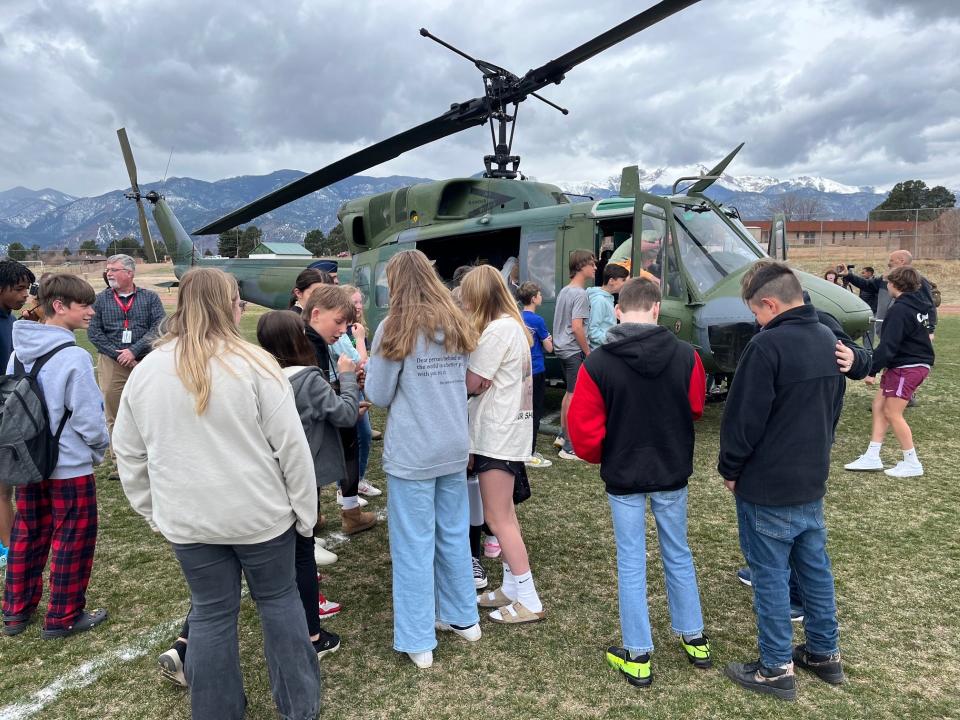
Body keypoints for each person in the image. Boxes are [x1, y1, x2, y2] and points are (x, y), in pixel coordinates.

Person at [113, 268, 321, 720]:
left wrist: (155, 511)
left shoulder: (149, 370)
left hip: (194, 521)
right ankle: (299, 706)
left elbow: (127, 452)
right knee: (278, 604)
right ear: (230, 304)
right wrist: (306, 513)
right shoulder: (255, 364)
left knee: (211, 615)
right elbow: (292, 450)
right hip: (258, 516)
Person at [568, 278, 710, 688]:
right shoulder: (687, 356)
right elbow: (696, 407)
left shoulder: (597, 363)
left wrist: (603, 455)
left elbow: (584, 431)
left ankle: (638, 652)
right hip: (671, 469)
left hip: (624, 473)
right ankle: (694, 636)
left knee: (632, 561)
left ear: (617, 310)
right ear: (656, 309)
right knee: (678, 552)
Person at [719, 261, 845, 702]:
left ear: (769, 304)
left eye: (756, 312)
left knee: (770, 575)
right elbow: (833, 410)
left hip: (767, 484)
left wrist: (730, 468)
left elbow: (743, 419)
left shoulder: (766, 347)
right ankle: (824, 652)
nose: (756, 320)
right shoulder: (829, 339)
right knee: (814, 569)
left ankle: (775, 667)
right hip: (811, 478)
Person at [364, 249, 481, 669]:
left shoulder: (393, 327)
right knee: (452, 533)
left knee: (413, 544)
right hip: (452, 444)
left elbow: (377, 394)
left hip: (414, 450)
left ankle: (418, 638)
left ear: (395, 284)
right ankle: (464, 618)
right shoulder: (456, 322)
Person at [2, 274, 111, 638]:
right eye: (85, 305)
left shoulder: (18, 352)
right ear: (60, 306)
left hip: (29, 461)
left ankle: (16, 611)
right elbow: (88, 416)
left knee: (27, 533)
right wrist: (98, 449)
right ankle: (63, 615)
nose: (91, 312)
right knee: (73, 537)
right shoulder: (74, 356)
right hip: (68, 465)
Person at [461, 265, 545, 625]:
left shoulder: (496, 331)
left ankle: (528, 597)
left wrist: (473, 382)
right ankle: (512, 586)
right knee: (505, 515)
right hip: (508, 431)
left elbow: (471, 380)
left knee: (497, 518)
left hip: (496, 435)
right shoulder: (513, 327)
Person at [844, 266, 934, 478]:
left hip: (908, 367)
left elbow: (888, 346)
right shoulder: (916, 305)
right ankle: (872, 456)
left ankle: (912, 462)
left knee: (892, 413)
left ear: (894, 284)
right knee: (879, 405)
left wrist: (871, 370)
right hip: (905, 365)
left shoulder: (900, 310)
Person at [302, 285, 377, 534]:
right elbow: (312, 392)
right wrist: (346, 384)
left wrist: (347, 382)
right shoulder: (306, 342)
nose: (343, 330)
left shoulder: (315, 339)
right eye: (338, 322)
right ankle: (311, 525)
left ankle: (326, 516)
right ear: (315, 314)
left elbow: (319, 387)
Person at [86, 254, 165, 445]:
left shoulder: (150, 298)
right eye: (108, 270)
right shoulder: (100, 300)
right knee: (114, 413)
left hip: (145, 361)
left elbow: (160, 327)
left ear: (129, 273)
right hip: (111, 364)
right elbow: (94, 332)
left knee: (148, 410)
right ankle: (118, 462)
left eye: (114, 270)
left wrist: (134, 351)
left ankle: (147, 455)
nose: (108, 273)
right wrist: (119, 355)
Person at [0, 259, 35, 566]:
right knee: (2, 487)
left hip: (10, 409)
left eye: (27, 288)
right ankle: (9, 548)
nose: (25, 294)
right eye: (19, 288)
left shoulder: (11, 320)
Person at [552, 249, 596, 460]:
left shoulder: (564, 291)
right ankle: (569, 446)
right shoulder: (580, 294)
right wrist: (587, 351)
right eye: (592, 264)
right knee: (573, 395)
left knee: (568, 393)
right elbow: (577, 327)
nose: (596, 267)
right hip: (573, 350)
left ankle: (562, 435)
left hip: (562, 349)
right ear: (581, 266)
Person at [841, 250, 937, 337]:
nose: (888, 263)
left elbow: (929, 305)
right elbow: (867, 285)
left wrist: (930, 330)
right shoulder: (885, 279)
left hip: (907, 333)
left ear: (902, 261)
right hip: (886, 331)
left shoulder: (918, 280)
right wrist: (848, 275)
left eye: (891, 260)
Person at [518, 281, 553, 469]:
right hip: (536, 370)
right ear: (533, 298)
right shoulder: (537, 321)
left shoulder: (515, 317)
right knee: (535, 411)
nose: (542, 297)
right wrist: (549, 340)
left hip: (519, 370)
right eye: (539, 294)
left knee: (521, 411)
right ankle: (529, 452)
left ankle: (519, 448)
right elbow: (548, 347)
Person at [586, 263, 629, 351]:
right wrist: (613, 340)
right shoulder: (599, 300)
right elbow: (592, 331)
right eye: (623, 280)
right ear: (611, 281)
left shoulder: (607, 298)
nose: (626, 283)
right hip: (600, 351)